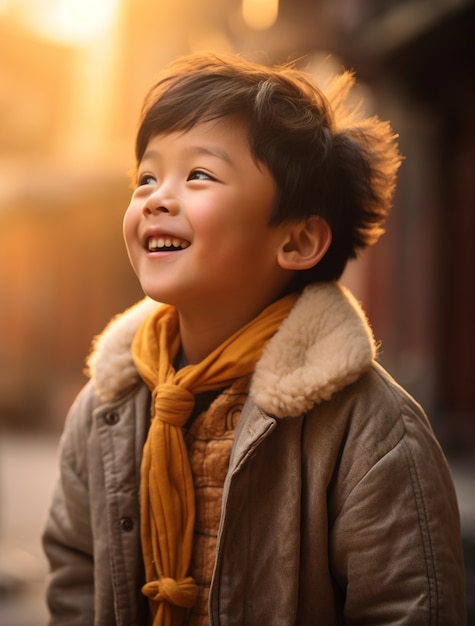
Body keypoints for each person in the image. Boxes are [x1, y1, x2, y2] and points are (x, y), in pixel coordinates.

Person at [42, 52, 466, 626]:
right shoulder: (105, 406)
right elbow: (74, 576)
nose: (156, 198)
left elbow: (407, 608)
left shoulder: (373, 430)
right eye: (146, 175)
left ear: (297, 242)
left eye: (199, 175)